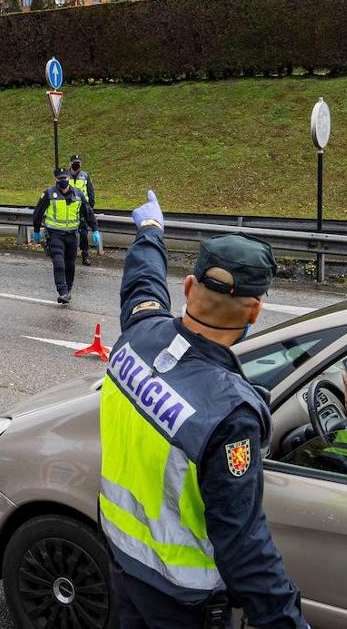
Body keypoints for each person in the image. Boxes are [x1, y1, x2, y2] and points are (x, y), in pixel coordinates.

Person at [100, 190, 309, 629]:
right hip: (182, 599)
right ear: (255, 310)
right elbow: (243, 542)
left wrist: (151, 232)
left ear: (189, 287)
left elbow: (142, 286)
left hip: (122, 563)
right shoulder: (231, 414)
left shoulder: (140, 335)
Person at [31, 168, 100, 305]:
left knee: (70, 265)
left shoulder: (78, 194)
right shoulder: (49, 194)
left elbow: (88, 213)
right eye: (60, 179)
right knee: (59, 263)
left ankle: (67, 290)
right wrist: (37, 230)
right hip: (54, 234)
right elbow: (38, 212)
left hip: (72, 235)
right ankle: (62, 291)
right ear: (56, 180)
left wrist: (95, 229)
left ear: (68, 179)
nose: (63, 182)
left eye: (65, 179)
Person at [69, 154, 97, 266]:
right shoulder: (65, 175)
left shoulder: (85, 175)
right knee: (70, 233)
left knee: (84, 233)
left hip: (82, 208)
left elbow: (90, 190)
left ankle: (85, 256)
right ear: (70, 164)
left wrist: (90, 206)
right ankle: (71, 254)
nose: (77, 165)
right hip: (70, 208)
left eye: (78, 163)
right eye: (75, 163)